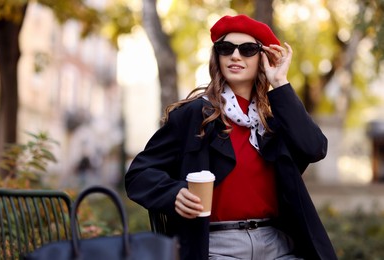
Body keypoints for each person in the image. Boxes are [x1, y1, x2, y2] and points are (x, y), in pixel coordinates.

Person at [125, 14, 337, 260]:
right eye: (226, 49)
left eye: (247, 50)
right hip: (217, 246)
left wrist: (280, 82)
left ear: (263, 59)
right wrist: (173, 193)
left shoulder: (272, 122)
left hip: (278, 243)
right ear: (218, 57)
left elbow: (314, 148)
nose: (235, 56)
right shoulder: (195, 115)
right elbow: (139, 174)